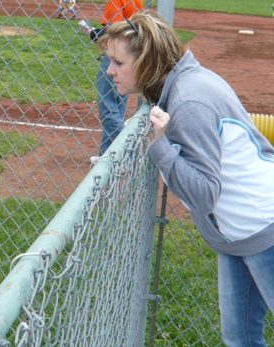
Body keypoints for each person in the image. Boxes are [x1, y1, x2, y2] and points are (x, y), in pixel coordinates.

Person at [100, 12, 274, 346]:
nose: (110, 71)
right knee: (241, 339)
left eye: (118, 62)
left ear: (148, 62)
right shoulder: (181, 87)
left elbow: (205, 194)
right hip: (239, 237)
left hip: (264, 230)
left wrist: (160, 148)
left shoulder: (189, 100)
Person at [79, 0, 144, 157]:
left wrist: (92, 32)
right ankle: (107, 154)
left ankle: (125, 153)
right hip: (131, 55)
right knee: (118, 105)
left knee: (108, 107)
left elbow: (113, 33)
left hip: (116, 55)